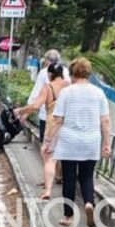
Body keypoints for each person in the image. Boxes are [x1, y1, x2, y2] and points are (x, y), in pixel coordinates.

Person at [45, 57, 112, 227]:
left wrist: (48, 141)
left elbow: (57, 119)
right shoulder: (98, 93)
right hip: (91, 141)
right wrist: (107, 143)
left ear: (73, 73)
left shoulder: (67, 92)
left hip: (69, 141)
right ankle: (89, 203)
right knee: (87, 176)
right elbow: (105, 121)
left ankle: (68, 216)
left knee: (69, 178)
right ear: (89, 73)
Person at [17, 62, 68, 200]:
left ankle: (48, 190)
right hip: (69, 124)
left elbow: (36, 105)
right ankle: (62, 180)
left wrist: (21, 110)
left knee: (49, 157)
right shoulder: (69, 86)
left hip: (53, 123)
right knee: (67, 157)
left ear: (50, 74)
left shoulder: (48, 88)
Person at [27, 49, 70, 144]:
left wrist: (27, 111)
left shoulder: (44, 72)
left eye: (45, 60)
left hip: (47, 117)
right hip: (63, 117)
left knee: (46, 144)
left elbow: (36, 93)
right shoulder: (66, 72)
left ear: (48, 60)